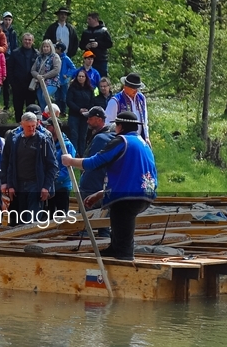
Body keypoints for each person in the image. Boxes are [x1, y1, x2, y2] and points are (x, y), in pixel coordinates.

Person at [62, 111, 157, 260]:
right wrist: (101, 194)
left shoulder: (121, 141)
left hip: (128, 196)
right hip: (144, 192)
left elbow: (94, 162)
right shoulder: (142, 143)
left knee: (123, 230)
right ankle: (115, 248)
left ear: (119, 126)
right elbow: (128, 174)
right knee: (118, 221)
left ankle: (123, 261)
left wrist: (70, 161)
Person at [0, 112, 58, 225]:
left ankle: (30, 241)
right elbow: (11, 163)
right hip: (19, 185)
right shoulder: (15, 140)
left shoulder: (43, 140)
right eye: (28, 126)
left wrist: (46, 187)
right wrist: (10, 185)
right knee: (21, 218)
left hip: (36, 185)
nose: (32, 129)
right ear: (22, 125)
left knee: (33, 221)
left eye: (33, 126)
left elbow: (53, 166)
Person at [105, 73, 150, 144]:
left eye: (137, 88)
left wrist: (147, 136)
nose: (136, 91)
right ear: (125, 86)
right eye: (133, 88)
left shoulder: (141, 98)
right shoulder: (115, 101)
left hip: (140, 139)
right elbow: (107, 124)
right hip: (122, 141)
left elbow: (145, 120)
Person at [66, 70, 95, 154]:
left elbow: (92, 101)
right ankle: (73, 154)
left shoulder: (90, 89)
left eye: (83, 76)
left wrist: (88, 110)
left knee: (83, 136)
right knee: (74, 135)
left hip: (85, 116)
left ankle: (82, 155)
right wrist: (79, 109)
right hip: (74, 116)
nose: (81, 78)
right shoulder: (72, 88)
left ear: (86, 78)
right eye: (79, 76)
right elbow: (69, 101)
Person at [9, 33, 38, 117]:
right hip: (18, 84)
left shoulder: (37, 54)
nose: (27, 41)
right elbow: (10, 68)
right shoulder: (15, 53)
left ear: (33, 41)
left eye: (29, 40)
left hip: (32, 85)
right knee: (18, 106)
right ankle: (18, 123)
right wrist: (12, 83)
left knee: (31, 107)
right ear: (22, 40)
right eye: (25, 39)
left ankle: (30, 123)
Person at [79, 12, 113, 77]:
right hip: (88, 59)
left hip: (101, 60)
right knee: (88, 78)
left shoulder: (103, 31)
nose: (87, 21)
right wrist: (86, 46)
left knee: (102, 78)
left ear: (95, 19)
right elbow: (81, 45)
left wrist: (98, 44)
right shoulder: (86, 32)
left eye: (89, 19)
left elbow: (109, 44)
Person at [31, 39, 61, 109]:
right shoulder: (39, 57)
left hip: (52, 82)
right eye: (44, 47)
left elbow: (56, 69)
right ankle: (45, 116)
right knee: (40, 100)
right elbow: (33, 70)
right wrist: (38, 76)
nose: (45, 48)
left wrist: (44, 76)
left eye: (47, 47)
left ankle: (52, 113)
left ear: (51, 47)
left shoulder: (55, 56)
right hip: (40, 82)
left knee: (44, 96)